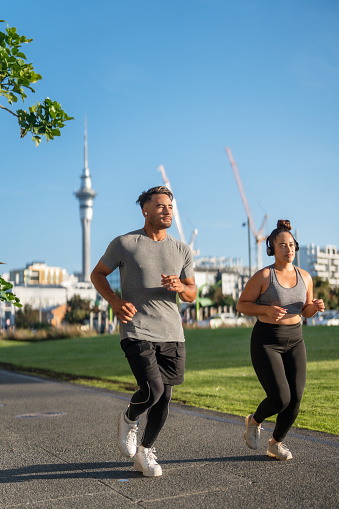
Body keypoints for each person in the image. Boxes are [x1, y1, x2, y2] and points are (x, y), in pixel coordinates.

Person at [90, 186, 197, 477]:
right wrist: (114, 301)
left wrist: (181, 287)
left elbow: (192, 293)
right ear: (145, 210)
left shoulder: (182, 250)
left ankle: (145, 452)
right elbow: (97, 274)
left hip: (172, 332)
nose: (167, 211)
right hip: (136, 328)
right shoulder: (125, 243)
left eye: (170, 207)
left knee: (165, 397)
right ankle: (129, 417)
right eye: (160, 206)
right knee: (153, 390)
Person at [236, 219, 325, 460]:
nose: (288, 249)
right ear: (272, 249)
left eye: (291, 244)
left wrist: (313, 308)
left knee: (295, 399)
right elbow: (242, 304)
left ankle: (275, 443)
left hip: (295, 339)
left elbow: (304, 311)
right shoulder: (265, 275)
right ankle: (253, 421)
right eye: (282, 245)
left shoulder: (305, 277)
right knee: (280, 398)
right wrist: (265, 310)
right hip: (267, 341)